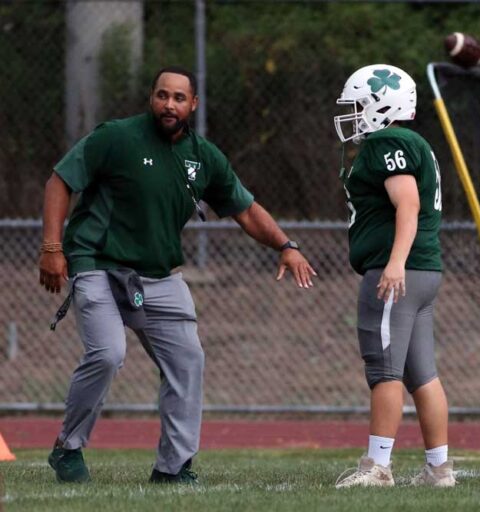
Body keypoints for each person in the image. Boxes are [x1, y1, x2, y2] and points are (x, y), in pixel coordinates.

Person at [39, 66, 316, 484]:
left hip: (159, 276)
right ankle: (69, 447)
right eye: (162, 96)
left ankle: (173, 468)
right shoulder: (117, 137)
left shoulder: (203, 156)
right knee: (108, 353)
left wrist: (285, 246)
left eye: (179, 98)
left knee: (188, 362)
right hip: (98, 263)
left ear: (194, 104)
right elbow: (60, 180)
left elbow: (244, 209)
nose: (170, 104)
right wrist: (51, 247)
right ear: (151, 99)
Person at [333, 64, 454, 488]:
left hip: (398, 271)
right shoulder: (411, 141)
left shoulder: (388, 141)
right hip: (424, 270)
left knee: (384, 371)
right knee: (423, 375)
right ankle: (439, 469)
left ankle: (377, 467)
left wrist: (395, 262)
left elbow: (407, 204)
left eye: (358, 106)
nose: (351, 115)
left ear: (381, 105)